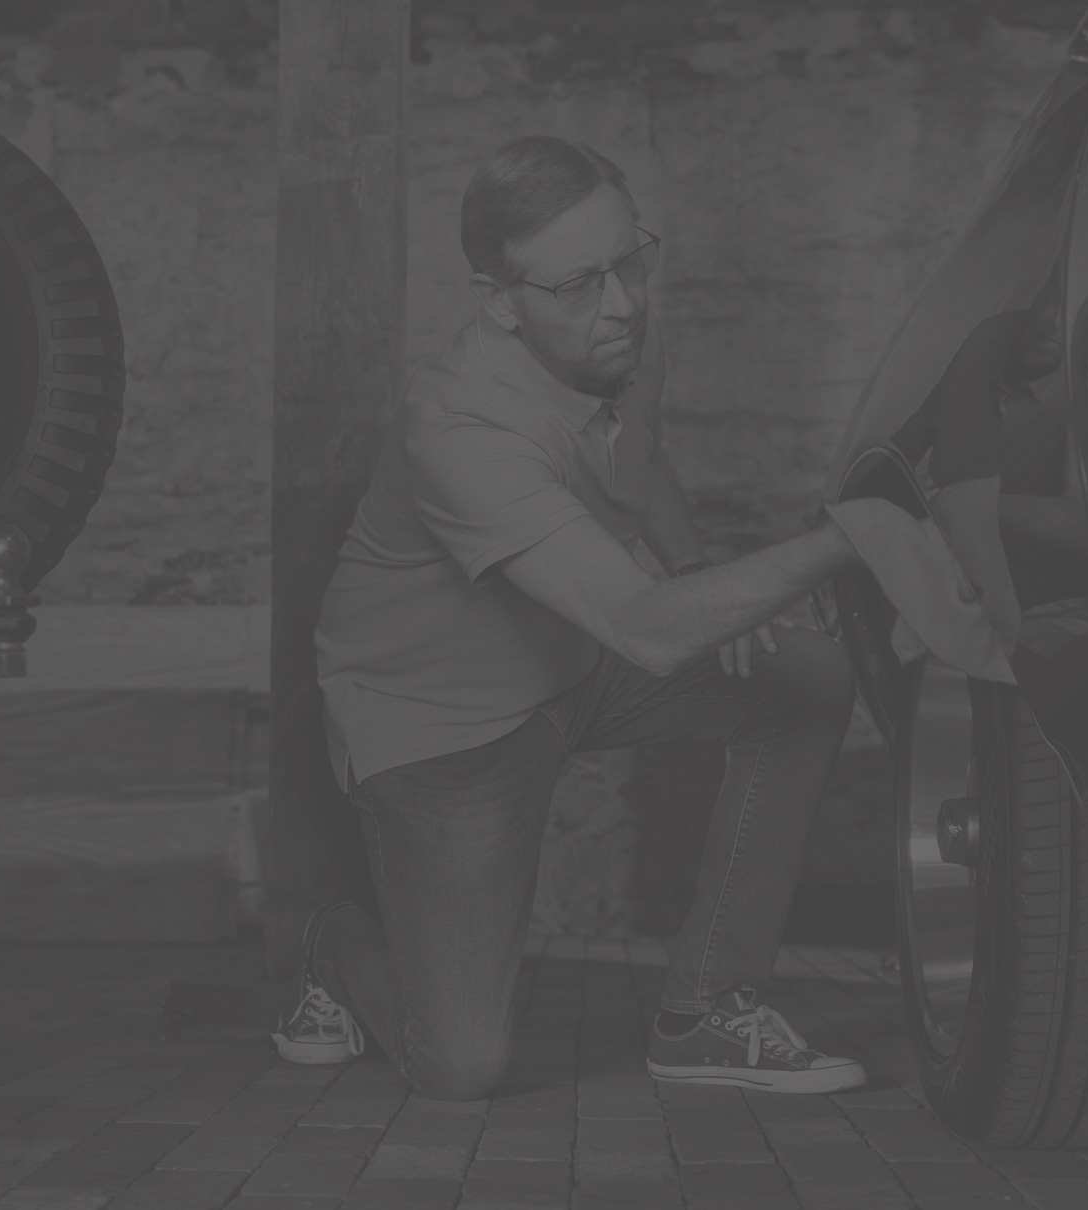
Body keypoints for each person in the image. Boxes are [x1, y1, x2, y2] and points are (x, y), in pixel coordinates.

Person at [270, 135, 876, 1100]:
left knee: (802, 678)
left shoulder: (619, 335)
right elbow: (647, 627)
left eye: (631, 258)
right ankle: (333, 947)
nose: (624, 301)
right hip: (442, 726)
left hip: (573, 658)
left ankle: (706, 1010)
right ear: (500, 299)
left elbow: (638, 457)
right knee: (461, 1066)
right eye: (580, 283)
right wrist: (855, 540)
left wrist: (693, 561)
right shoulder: (460, 427)